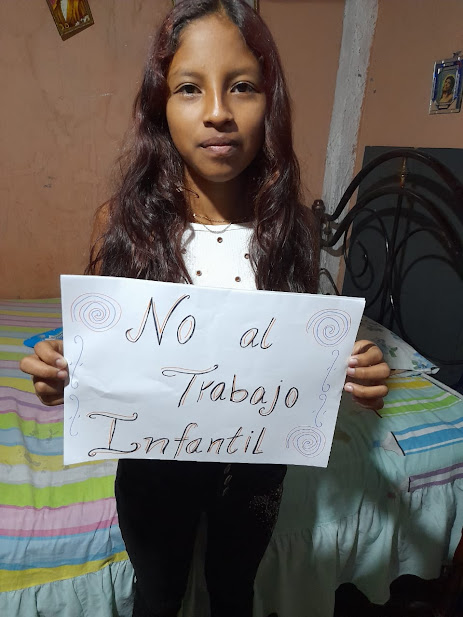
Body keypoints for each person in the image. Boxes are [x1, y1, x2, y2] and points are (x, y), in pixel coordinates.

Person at [20, 1, 390, 616]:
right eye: (189, 88)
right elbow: (105, 343)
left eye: (242, 86)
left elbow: (299, 356)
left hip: (256, 474)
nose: (218, 111)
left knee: (233, 591)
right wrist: (65, 368)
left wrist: (355, 373)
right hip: (152, 472)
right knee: (158, 594)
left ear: (270, 102)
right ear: (159, 106)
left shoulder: (292, 231)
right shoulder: (127, 224)